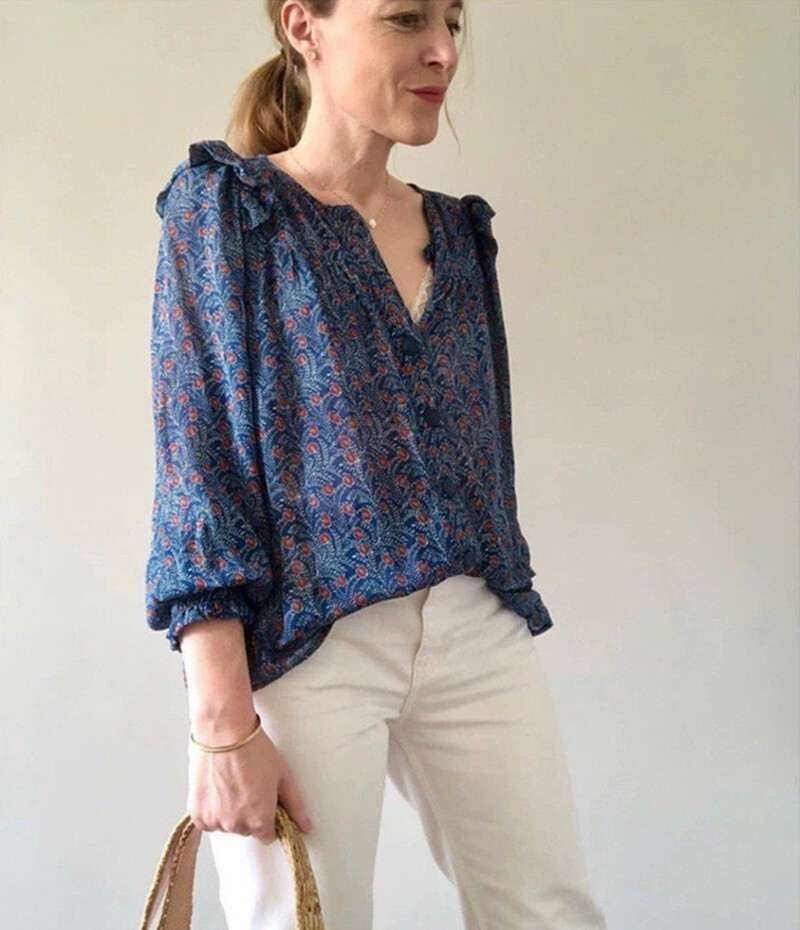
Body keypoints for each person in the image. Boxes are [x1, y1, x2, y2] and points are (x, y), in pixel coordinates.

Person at [145, 1, 608, 927]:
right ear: (303, 26)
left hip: (475, 623)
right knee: (301, 919)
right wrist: (222, 727)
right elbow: (198, 470)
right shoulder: (228, 211)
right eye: (405, 18)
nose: (443, 51)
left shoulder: (459, 234)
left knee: (549, 911)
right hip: (308, 638)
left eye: (453, 22)